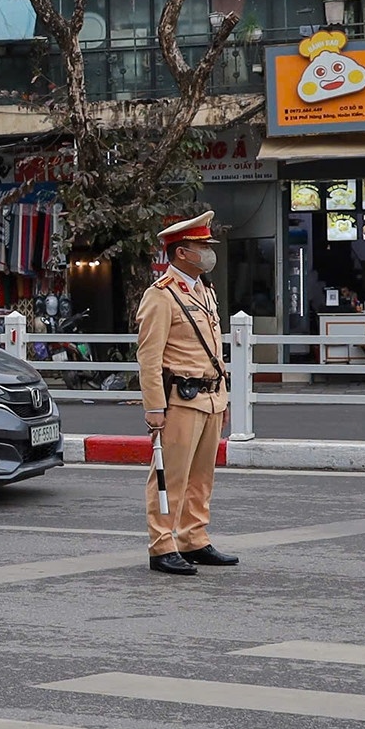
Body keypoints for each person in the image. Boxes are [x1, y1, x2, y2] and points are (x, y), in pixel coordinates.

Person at [137, 212, 236, 576]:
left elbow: (215, 350)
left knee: (201, 477)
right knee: (170, 476)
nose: (208, 252)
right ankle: (162, 544)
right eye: (201, 247)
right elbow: (149, 358)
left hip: (210, 397)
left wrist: (223, 396)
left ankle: (194, 537)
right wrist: (154, 408)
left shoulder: (204, 290)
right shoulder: (160, 296)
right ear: (181, 253)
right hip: (180, 399)